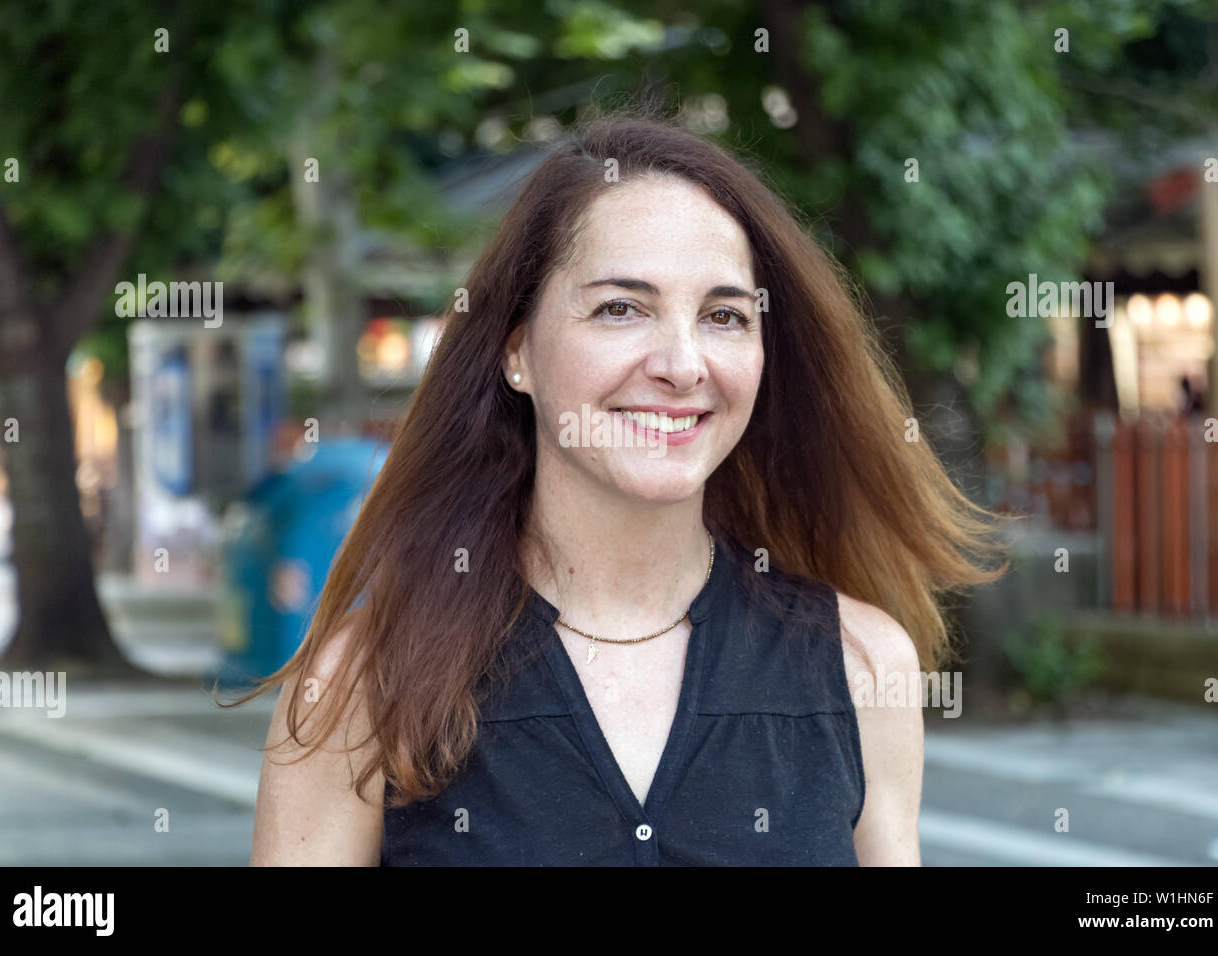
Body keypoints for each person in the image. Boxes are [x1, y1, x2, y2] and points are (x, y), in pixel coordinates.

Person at [240, 111, 1006, 866]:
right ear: (519, 354)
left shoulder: (862, 664)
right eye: (620, 308)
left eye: (724, 316)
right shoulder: (362, 685)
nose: (682, 363)